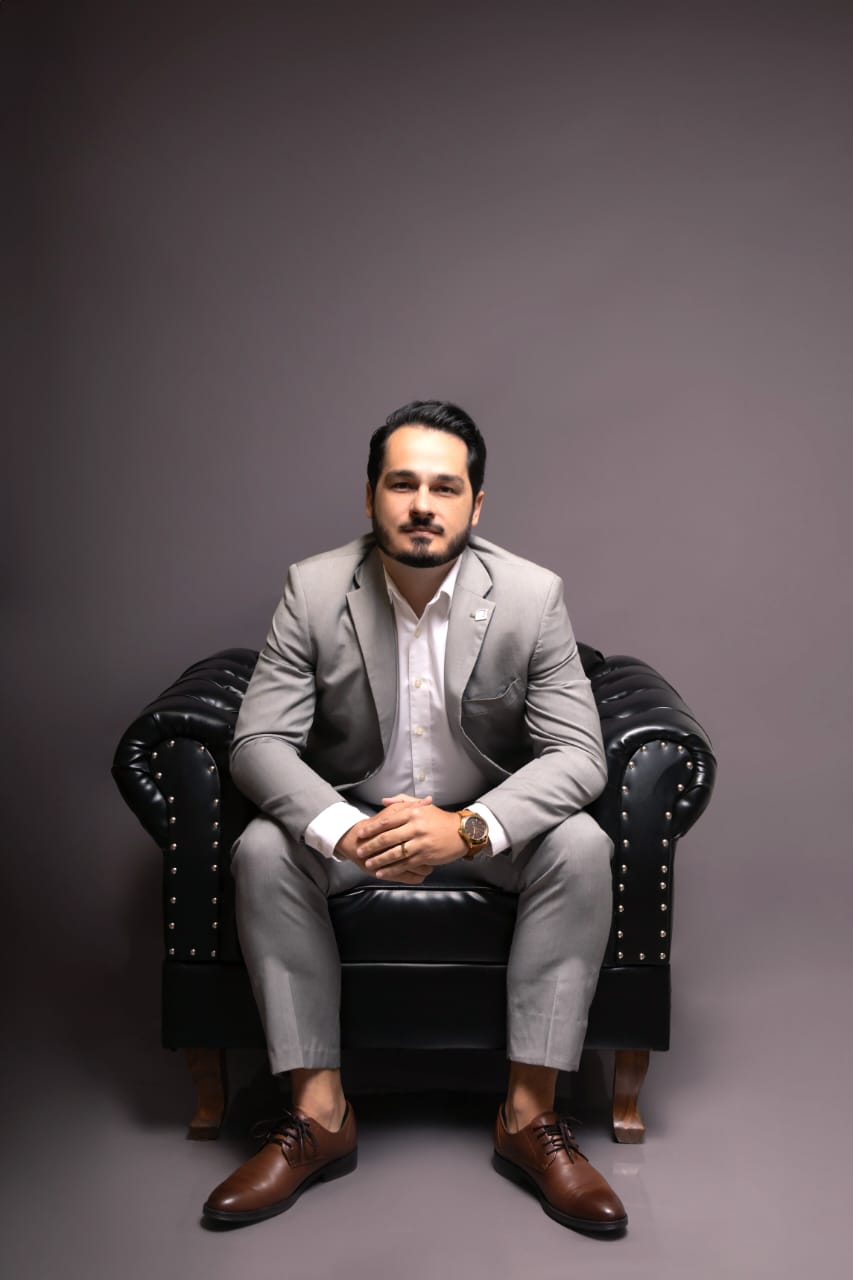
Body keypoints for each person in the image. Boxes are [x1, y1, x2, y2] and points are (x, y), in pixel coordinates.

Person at [203, 400, 627, 1234]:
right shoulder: (313, 589)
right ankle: (319, 1115)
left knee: (580, 845)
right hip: (355, 821)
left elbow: (580, 755)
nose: (422, 505)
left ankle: (527, 1116)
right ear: (370, 497)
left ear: (476, 503)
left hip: (484, 830)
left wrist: (465, 829)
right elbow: (257, 742)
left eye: (445, 486)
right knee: (262, 849)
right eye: (402, 485)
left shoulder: (530, 595)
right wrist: (342, 828)